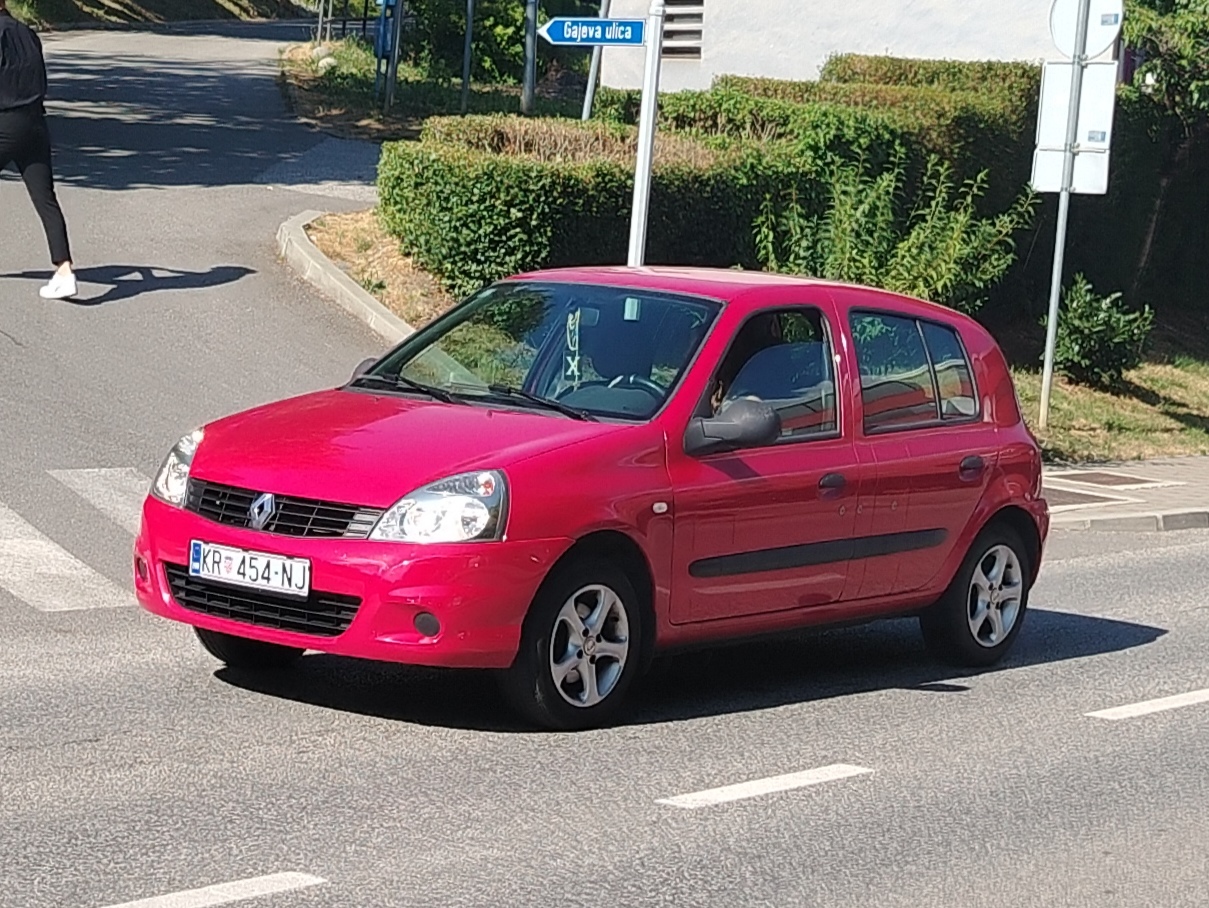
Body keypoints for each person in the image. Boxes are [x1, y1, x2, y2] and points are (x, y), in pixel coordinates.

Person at [0, 0, 76, 300]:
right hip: (35, 124)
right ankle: (64, 271)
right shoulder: (27, 32)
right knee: (45, 198)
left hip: (6, 122)